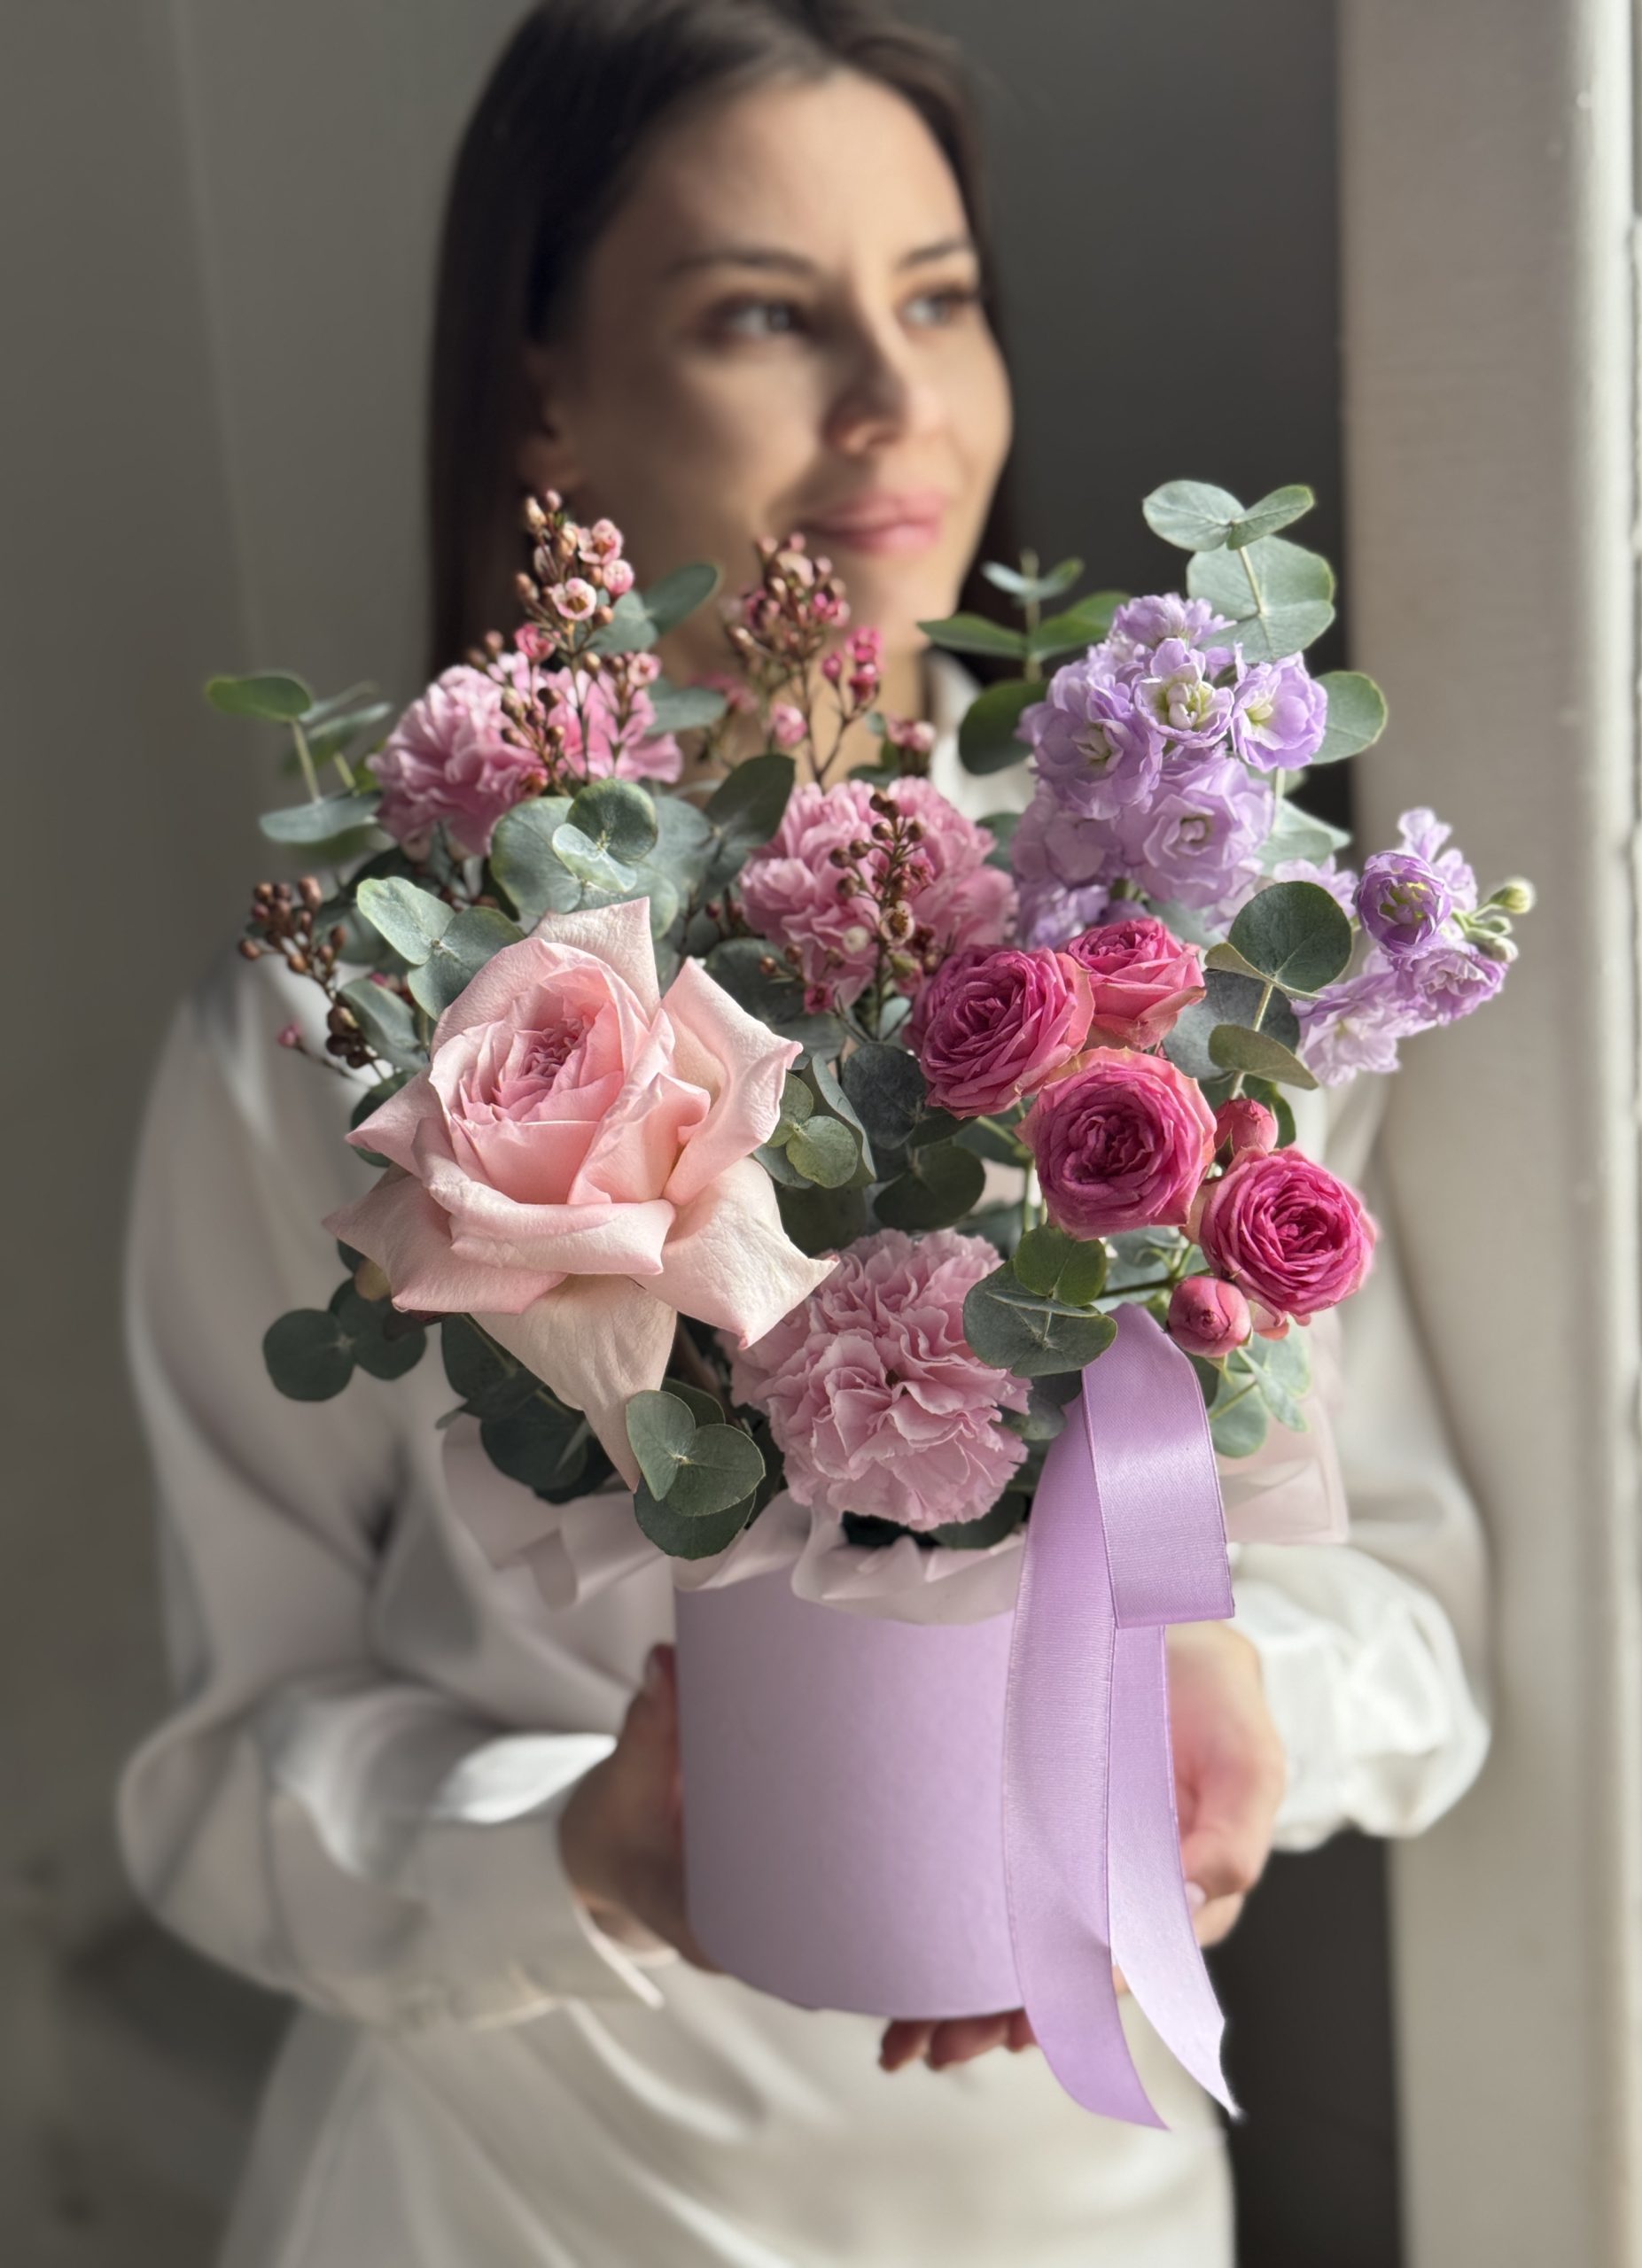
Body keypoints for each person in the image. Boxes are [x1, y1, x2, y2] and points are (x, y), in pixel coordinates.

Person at [121, 4, 1490, 2262]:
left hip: (1080, 2196)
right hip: (516, 2200)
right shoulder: (341, 1021)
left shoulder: (1203, 952)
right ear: (545, 388)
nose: (892, 401)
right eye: (764, 313)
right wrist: (571, 1849)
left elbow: (1412, 1616)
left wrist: (1236, 1697)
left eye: (937, 297)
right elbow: (218, 1784)